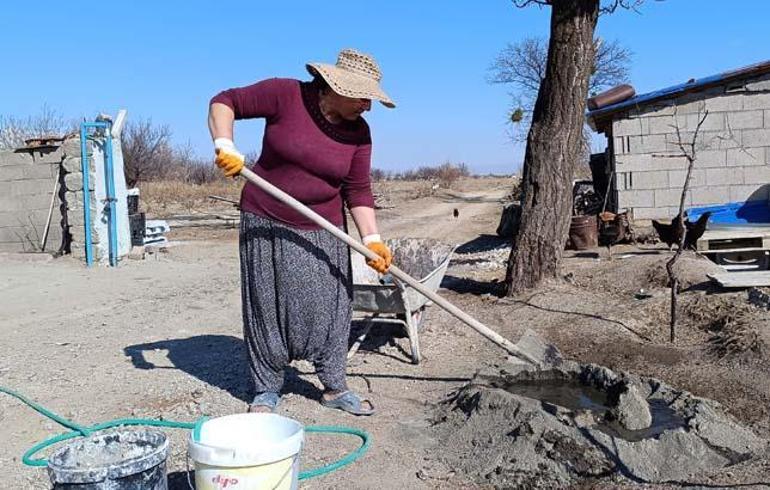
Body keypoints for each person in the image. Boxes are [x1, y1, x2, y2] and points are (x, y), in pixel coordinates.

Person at [208, 48, 394, 415]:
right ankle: (266, 388)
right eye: (362, 97)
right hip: (265, 219)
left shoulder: (360, 133)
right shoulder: (285, 94)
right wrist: (224, 144)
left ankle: (334, 386)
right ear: (336, 87)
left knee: (333, 305)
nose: (367, 107)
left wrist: (371, 239)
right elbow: (224, 101)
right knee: (268, 303)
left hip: (324, 226)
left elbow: (357, 189)